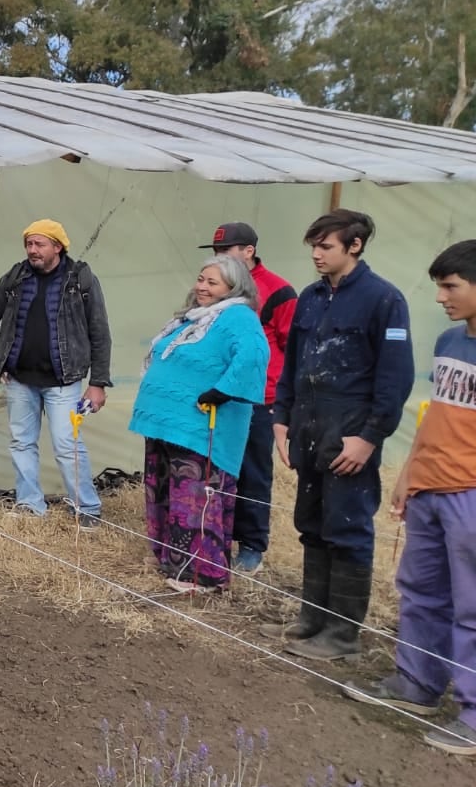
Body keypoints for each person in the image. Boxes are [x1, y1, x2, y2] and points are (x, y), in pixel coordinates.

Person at [342, 240, 476, 756]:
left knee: (472, 604)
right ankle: (417, 683)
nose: (441, 296)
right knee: (420, 589)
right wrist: (408, 475)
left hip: (469, 495)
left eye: (451, 286)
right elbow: (435, 416)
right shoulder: (448, 341)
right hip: (430, 486)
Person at [267, 210, 415, 662]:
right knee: (311, 524)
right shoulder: (311, 297)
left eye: (325, 246)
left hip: (350, 428)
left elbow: (396, 378)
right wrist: (281, 417)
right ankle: (313, 617)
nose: (316, 254)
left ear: (355, 246)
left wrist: (370, 437)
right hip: (309, 424)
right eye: (313, 245)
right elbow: (294, 363)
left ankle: (342, 635)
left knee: (347, 527)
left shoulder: (383, 299)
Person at [128, 255, 269, 594]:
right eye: (201, 279)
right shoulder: (195, 317)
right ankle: (170, 559)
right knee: (165, 491)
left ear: (233, 288)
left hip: (202, 425)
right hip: (169, 424)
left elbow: (253, 355)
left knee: (193, 497)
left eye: (212, 282)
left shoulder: (238, 316)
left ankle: (201, 575)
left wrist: (222, 391)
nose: (202, 287)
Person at [0, 219, 112, 526]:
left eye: (40, 244)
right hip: (19, 379)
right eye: (29, 244)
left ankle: (87, 509)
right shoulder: (16, 276)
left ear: (58, 247)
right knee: (22, 442)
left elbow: (99, 332)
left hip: (65, 382)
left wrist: (98, 383)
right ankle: (29, 504)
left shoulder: (80, 279)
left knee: (67, 444)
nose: (32, 250)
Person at [201, 222, 296, 575]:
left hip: (258, 399)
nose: (218, 258)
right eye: (215, 252)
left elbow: (292, 347)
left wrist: (283, 398)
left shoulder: (279, 291)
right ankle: (218, 536)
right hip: (218, 394)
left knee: (254, 471)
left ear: (248, 251)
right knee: (219, 469)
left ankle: (253, 544)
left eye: (225, 252)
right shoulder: (218, 287)